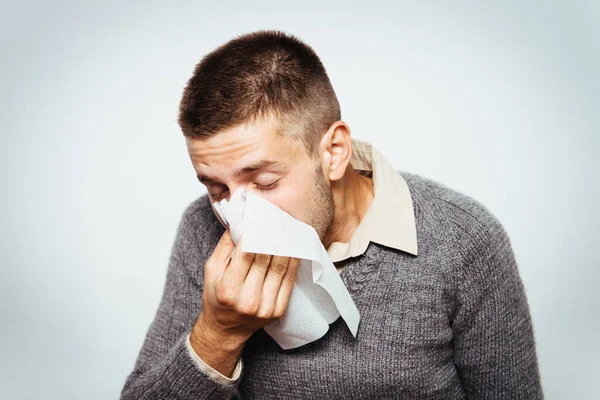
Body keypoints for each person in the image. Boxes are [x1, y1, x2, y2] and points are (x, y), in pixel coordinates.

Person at [121, 30, 543, 399]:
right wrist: (220, 333)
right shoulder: (203, 230)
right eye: (217, 188)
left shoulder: (463, 240)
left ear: (334, 152)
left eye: (265, 182)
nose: (240, 216)